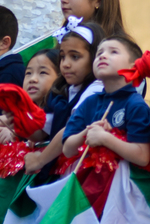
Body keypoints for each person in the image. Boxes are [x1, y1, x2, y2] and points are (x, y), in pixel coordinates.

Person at [23, 21, 105, 174]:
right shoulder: (63, 90)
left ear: (95, 57)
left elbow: (71, 129)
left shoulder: (97, 88)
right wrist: (17, 114)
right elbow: (40, 133)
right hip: (60, 168)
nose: (65, 64)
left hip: (84, 172)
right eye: (62, 57)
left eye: (75, 57)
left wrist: (40, 160)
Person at [63, 36, 150, 166]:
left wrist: (105, 138)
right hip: (86, 180)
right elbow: (67, 149)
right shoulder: (89, 103)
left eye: (113, 52)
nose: (102, 56)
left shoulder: (135, 105)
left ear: (133, 67)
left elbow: (142, 157)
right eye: (99, 53)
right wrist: (88, 132)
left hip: (120, 182)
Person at [0, 49, 61, 144]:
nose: (32, 79)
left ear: (60, 78)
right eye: (28, 73)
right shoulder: (30, 112)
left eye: (42, 72)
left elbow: (38, 133)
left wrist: (15, 133)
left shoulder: (57, 108)